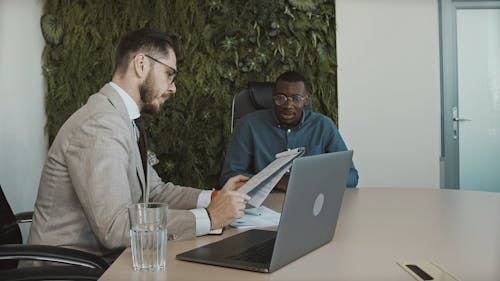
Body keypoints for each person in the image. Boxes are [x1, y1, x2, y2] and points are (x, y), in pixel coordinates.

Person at [27, 29, 250, 262]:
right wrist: (209, 218)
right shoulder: (100, 126)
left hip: (103, 262)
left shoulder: (120, 118)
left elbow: (154, 192)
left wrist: (215, 197)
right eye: (169, 74)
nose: (173, 88)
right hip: (68, 268)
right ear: (141, 64)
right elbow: (115, 227)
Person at [219, 71, 359, 191]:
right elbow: (230, 177)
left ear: (306, 100)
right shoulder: (248, 125)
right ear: (273, 97)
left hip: (309, 201)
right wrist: (279, 182)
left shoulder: (323, 126)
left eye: (296, 99)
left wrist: (309, 181)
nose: (288, 105)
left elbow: (351, 176)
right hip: (262, 206)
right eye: (281, 98)